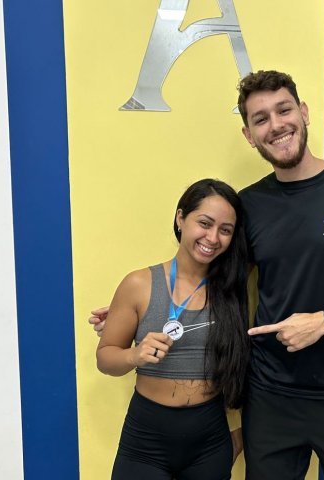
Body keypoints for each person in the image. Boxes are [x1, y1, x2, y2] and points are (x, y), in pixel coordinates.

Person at [91, 71, 324, 480]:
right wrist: (138, 311)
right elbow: (217, 280)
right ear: (249, 135)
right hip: (270, 396)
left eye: (284, 110)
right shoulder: (249, 205)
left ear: (304, 112)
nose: (276, 125)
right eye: (261, 119)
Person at [96, 179, 250, 480]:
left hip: (209, 440)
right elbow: (105, 358)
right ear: (181, 218)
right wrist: (134, 355)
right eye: (204, 223)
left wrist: (241, 437)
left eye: (225, 230)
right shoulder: (139, 284)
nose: (213, 237)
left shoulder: (232, 289)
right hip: (146, 441)